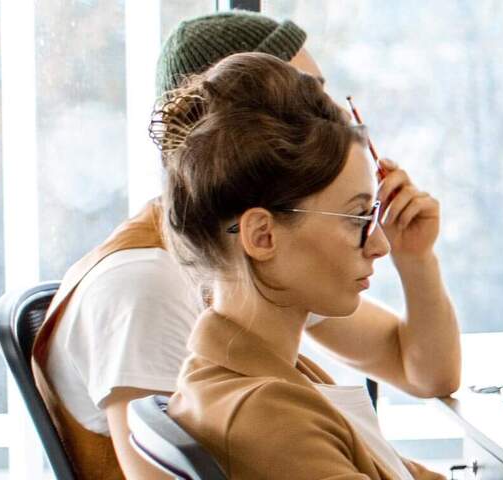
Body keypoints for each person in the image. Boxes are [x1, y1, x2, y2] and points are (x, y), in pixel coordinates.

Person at [30, 11, 459, 479]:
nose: (332, 117)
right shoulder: (157, 286)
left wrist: (415, 258)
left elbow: (424, 371)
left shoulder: (257, 295)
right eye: (307, 96)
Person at [154, 51, 446, 479]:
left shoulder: (264, 368)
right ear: (262, 236)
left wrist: (418, 257)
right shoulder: (270, 420)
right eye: (357, 218)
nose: (380, 244)